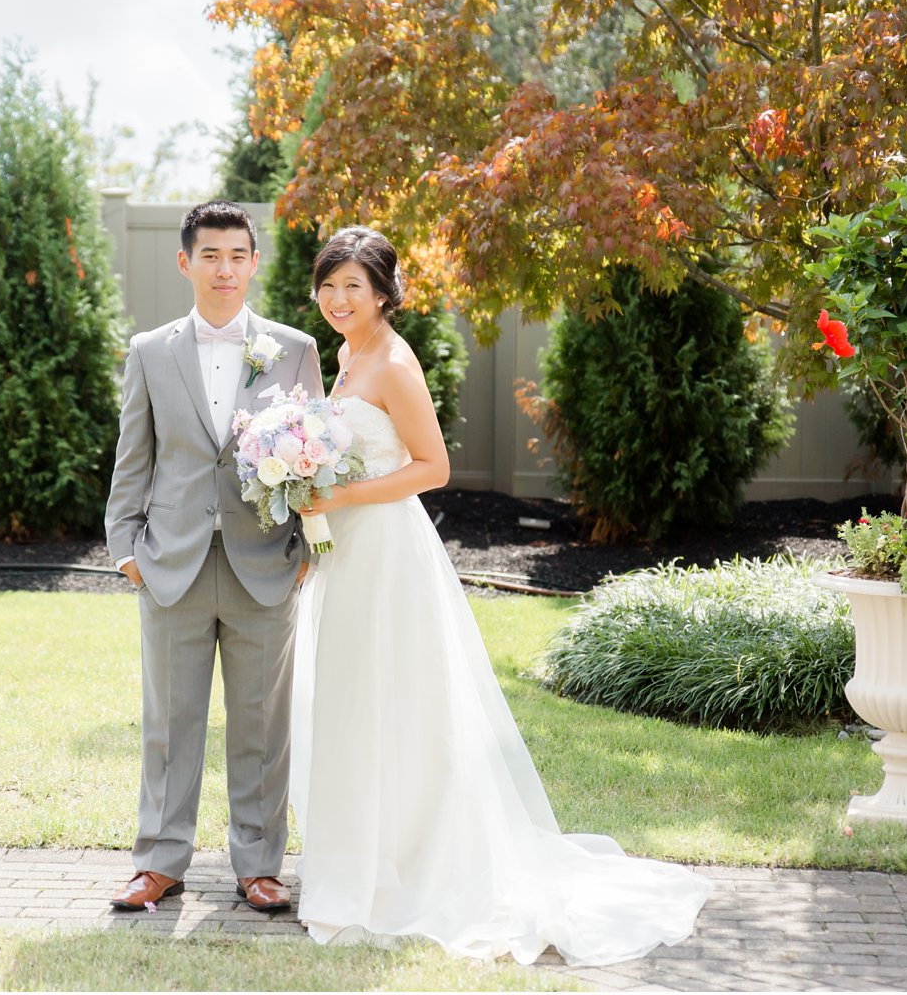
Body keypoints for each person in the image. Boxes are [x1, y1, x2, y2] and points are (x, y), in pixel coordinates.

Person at [292, 226, 712, 966]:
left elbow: (433, 466)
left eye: (351, 286)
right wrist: (313, 511)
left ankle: (421, 861)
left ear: (385, 293)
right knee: (359, 699)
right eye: (327, 285)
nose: (335, 299)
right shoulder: (347, 355)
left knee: (397, 700)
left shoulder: (391, 360)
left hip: (389, 549)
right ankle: (370, 852)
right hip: (350, 550)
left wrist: (340, 491)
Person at [104, 201, 323, 914]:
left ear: (254, 263)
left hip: (266, 564)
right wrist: (126, 553)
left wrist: (306, 554)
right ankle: (158, 863)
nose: (224, 269)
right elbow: (132, 461)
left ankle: (259, 866)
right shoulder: (149, 351)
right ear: (185, 263)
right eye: (210, 256)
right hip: (171, 565)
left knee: (262, 725)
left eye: (237, 256)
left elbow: (319, 462)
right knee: (170, 722)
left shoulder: (295, 350)